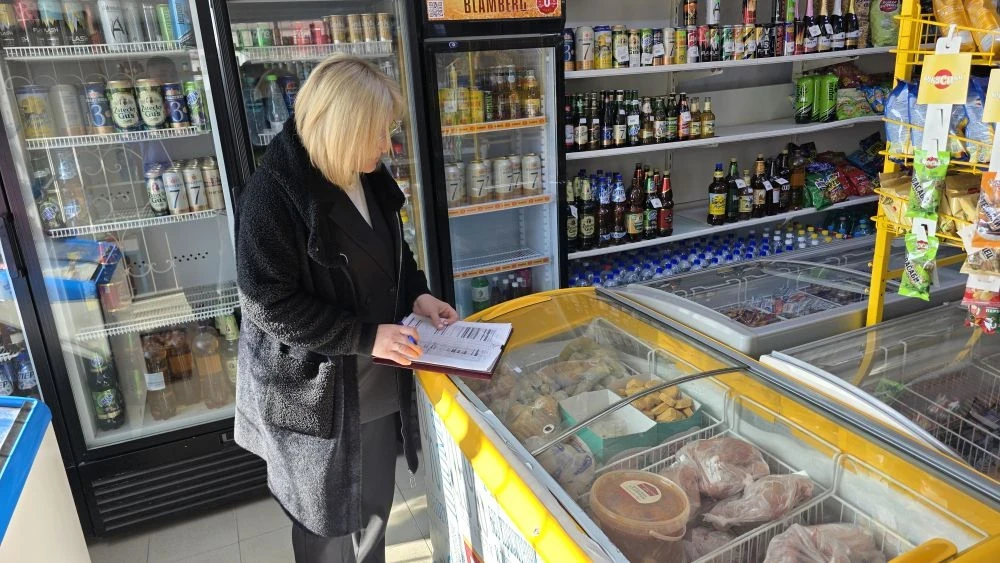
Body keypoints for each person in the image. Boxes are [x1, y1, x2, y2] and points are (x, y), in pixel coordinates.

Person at [234, 54, 458, 563]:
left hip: (372, 383)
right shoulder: (272, 196)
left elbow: (392, 252)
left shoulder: (365, 173)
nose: (386, 145)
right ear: (341, 129)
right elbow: (268, 303)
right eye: (377, 133)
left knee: (373, 510)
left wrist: (417, 294)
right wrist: (366, 337)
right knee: (326, 525)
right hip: (314, 395)